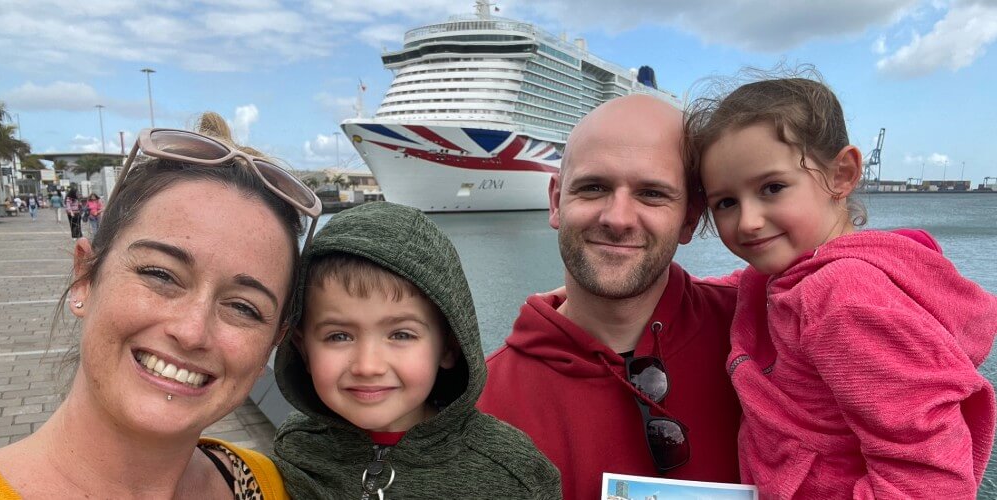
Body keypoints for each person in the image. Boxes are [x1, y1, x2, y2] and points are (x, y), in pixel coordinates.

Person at [685, 74, 997, 498]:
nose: (748, 221)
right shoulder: (799, 274)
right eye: (726, 202)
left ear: (842, 174)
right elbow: (744, 286)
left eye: (772, 188)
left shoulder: (843, 296)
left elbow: (927, 479)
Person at [0, 112, 323, 499]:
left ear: (274, 342)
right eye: (161, 275)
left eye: (244, 308)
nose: (191, 332)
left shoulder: (274, 486)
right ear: (85, 276)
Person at [477, 94, 742, 500]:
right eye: (593, 187)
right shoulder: (482, 402)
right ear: (555, 201)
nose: (617, 219)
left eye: (652, 193)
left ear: (690, 217)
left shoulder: (765, 337)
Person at [273, 201, 561, 499]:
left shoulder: (513, 475)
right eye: (339, 336)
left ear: (449, 347)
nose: (367, 366)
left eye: (401, 334)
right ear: (303, 349)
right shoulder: (296, 447)